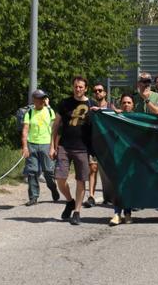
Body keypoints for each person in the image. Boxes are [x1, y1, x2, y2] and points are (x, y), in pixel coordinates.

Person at [50, 76, 96, 226]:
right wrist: (52, 146)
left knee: (81, 180)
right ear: (73, 87)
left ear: (86, 88)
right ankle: (70, 201)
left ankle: (77, 212)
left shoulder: (91, 104)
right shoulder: (65, 103)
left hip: (82, 148)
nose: (78, 89)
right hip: (64, 146)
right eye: (76, 86)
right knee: (60, 178)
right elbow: (56, 125)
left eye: (81, 87)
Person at [21, 89, 59, 206]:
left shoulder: (50, 111)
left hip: (46, 144)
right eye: (39, 98)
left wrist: (54, 147)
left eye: (43, 98)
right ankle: (33, 197)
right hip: (32, 144)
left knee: (48, 171)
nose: (42, 101)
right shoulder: (29, 113)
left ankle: (53, 188)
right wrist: (25, 147)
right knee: (32, 172)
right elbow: (25, 131)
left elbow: (54, 130)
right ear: (35, 100)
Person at [84, 82, 112, 208]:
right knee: (92, 169)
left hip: (108, 145)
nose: (98, 93)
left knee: (110, 172)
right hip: (93, 144)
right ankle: (91, 196)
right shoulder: (89, 108)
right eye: (95, 91)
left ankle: (112, 196)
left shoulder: (111, 107)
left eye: (100, 90)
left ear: (105, 93)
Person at [109, 94, 135, 226]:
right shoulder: (115, 117)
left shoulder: (138, 119)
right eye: (124, 102)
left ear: (133, 105)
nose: (126, 105)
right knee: (118, 186)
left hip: (133, 158)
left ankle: (128, 213)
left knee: (128, 186)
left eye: (129, 102)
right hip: (118, 155)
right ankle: (117, 213)